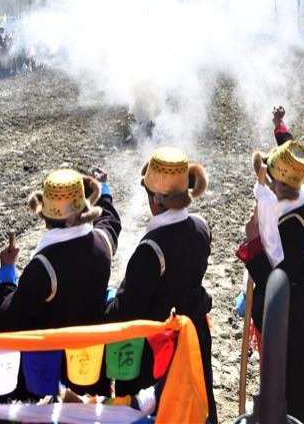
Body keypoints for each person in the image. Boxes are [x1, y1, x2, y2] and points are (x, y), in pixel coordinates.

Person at [104, 147, 217, 424]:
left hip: (157, 353)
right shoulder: (201, 227)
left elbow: (128, 310)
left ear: (155, 200)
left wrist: (102, 307)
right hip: (193, 340)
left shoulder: (150, 251)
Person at [0, 168, 121, 399]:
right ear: (83, 208)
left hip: (48, 370)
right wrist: (103, 190)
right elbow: (110, 222)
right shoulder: (102, 243)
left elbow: (6, 320)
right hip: (88, 365)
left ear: (45, 216)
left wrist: (6, 272)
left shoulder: (43, 266)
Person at [237, 140, 304, 423]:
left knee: (291, 396)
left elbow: (277, 280)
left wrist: (253, 242)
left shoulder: (293, 226)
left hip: (294, 322)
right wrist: (281, 133)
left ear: (279, 183)